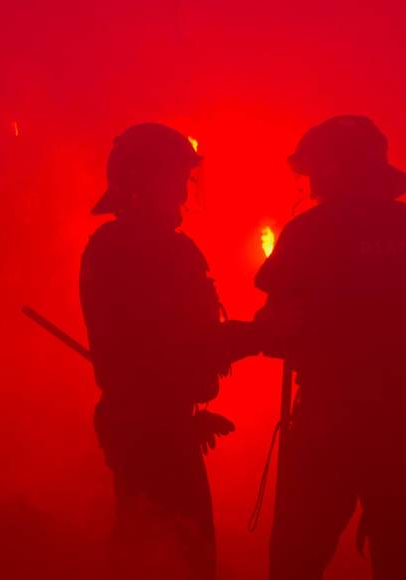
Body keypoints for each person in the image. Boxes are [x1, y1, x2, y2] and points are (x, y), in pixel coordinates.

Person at [254, 115, 406, 580]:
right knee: (400, 557)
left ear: (330, 172)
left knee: (298, 557)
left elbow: (276, 332)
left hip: (327, 423)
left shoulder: (309, 233)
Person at [79, 123, 249, 580]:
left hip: (155, 424)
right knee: (173, 554)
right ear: (146, 180)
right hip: (150, 431)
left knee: (153, 545)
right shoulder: (139, 250)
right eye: (176, 176)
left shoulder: (117, 247)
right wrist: (255, 337)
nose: (183, 190)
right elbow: (167, 344)